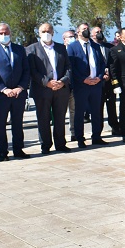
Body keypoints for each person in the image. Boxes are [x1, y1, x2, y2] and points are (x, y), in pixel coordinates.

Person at [0, 23, 31, 161]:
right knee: (0, 124)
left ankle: (18, 149)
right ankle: (2, 152)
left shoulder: (19, 49)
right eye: (1, 33)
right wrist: (3, 89)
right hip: (0, 94)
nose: (3, 35)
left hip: (18, 93)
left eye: (6, 33)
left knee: (17, 123)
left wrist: (20, 87)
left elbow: (26, 70)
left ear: (10, 33)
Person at [27, 22, 72, 153]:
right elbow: (32, 71)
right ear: (39, 33)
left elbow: (68, 67)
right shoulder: (31, 49)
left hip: (61, 89)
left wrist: (63, 81)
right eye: (43, 31)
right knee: (43, 118)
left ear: (52, 32)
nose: (46, 34)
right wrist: (47, 82)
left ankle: (60, 143)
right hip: (42, 90)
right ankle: (45, 145)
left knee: (60, 117)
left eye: (48, 31)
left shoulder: (61, 48)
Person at [68, 23, 107, 147]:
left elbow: (102, 63)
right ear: (78, 32)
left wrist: (99, 77)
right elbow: (71, 67)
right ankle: (80, 138)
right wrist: (83, 79)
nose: (86, 31)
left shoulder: (95, 46)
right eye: (84, 29)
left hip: (96, 84)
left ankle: (96, 136)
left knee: (96, 111)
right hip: (81, 85)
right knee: (79, 112)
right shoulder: (72, 47)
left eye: (87, 29)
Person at [91, 26, 120, 136]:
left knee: (111, 105)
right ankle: (98, 130)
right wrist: (101, 74)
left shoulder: (109, 47)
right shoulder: (91, 47)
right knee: (98, 107)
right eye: (97, 32)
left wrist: (109, 74)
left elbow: (113, 63)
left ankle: (115, 127)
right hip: (97, 81)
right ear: (92, 34)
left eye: (100, 31)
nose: (99, 33)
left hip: (109, 81)